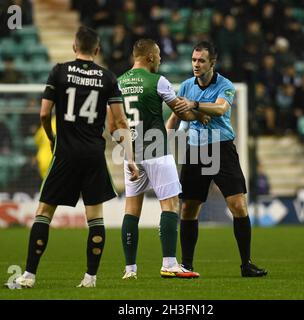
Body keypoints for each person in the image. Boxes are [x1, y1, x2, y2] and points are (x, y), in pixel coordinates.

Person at [10, 26, 139, 289]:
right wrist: (131, 158)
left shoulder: (59, 71)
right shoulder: (108, 78)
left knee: (44, 212)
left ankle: (29, 275)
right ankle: (90, 278)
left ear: (74, 47)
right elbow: (120, 121)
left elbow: (44, 114)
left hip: (65, 153)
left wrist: (49, 136)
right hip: (93, 155)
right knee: (95, 218)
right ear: (98, 49)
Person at [166, 41, 267, 277]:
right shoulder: (186, 86)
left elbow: (221, 109)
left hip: (222, 148)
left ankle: (246, 264)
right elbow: (174, 118)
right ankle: (187, 265)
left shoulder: (225, 85)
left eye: (201, 60)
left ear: (212, 62)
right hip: (196, 149)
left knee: (238, 205)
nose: (196, 65)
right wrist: (161, 142)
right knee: (189, 208)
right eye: (193, 60)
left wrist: (196, 105)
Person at [115, 39, 209, 280]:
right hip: (156, 149)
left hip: (131, 154)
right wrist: (199, 113)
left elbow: (114, 123)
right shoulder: (158, 81)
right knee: (169, 206)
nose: (160, 59)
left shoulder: (118, 83)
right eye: (157, 55)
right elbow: (180, 110)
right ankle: (169, 263)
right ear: (149, 57)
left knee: (131, 210)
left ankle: (129, 270)